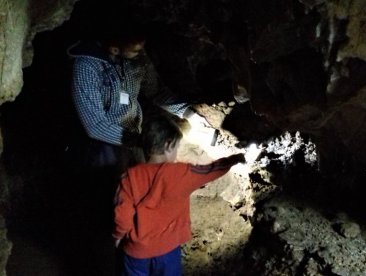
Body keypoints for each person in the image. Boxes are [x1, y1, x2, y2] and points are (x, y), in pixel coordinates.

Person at [112, 115, 245, 275]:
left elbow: (122, 214)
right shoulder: (182, 173)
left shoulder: (129, 177)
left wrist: (118, 236)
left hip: (136, 252)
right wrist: (233, 159)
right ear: (169, 145)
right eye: (177, 147)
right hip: (168, 250)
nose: (176, 153)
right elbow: (210, 171)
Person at [68, 24, 209, 172]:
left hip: (134, 132)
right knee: (116, 185)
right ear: (115, 49)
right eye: (136, 50)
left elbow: (156, 92)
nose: (142, 52)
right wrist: (142, 142)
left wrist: (188, 113)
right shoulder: (87, 68)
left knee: (142, 178)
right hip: (102, 142)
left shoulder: (137, 59)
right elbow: (95, 126)